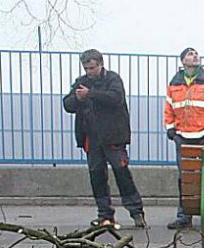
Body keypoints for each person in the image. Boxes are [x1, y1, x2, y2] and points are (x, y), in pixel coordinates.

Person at [62, 49, 146, 229]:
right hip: (91, 139)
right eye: (86, 68)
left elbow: (116, 98)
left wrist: (91, 94)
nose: (89, 72)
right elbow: (67, 104)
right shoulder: (81, 82)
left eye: (92, 68)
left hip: (114, 137)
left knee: (122, 174)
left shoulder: (112, 79)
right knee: (97, 177)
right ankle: (105, 215)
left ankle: (136, 212)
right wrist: (76, 98)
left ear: (100, 64)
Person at [164, 47, 204, 229]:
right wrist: (172, 131)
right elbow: (169, 108)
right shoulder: (174, 83)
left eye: (196, 54)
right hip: (183, 137)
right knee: (185, 179)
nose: (195, 56)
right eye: (191, 54)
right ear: (183, 60)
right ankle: (184, 216)